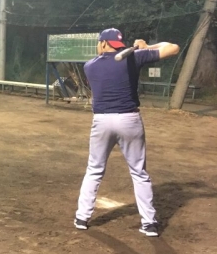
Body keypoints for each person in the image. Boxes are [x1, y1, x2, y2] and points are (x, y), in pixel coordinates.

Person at [74, 28, 179, 237]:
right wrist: (147, 47)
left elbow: (109, 62)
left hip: (102, 121)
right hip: (129, 120)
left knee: (94, 169)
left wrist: (141, 50)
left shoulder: (90, 66)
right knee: (139, 172)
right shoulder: (133, 59)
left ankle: (82, 218)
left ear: (104, 44)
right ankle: (149, 223)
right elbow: (173, 48)